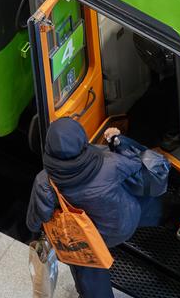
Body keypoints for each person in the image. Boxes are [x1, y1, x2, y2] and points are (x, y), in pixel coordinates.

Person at [26, 118, 162, 298]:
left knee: (84, 265)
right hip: (123, 225)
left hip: (87, 239)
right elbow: (142, 164)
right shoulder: (110, 162)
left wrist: (36, 232)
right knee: (144, 199)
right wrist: (118, 142)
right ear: (82, 141)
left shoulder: (44, 181)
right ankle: (166, 219)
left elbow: (35, 221)